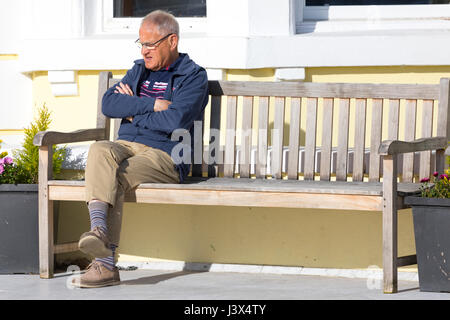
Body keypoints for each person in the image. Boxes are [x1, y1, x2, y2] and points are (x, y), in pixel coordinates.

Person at [73, 10, 209, 288]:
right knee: (99, 149)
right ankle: (98, 231)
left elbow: (175, 121)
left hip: (165, 156)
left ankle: (104, 265)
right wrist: (150, 105)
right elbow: (109, 104)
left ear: (172, 41)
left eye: (151, 44)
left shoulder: (193, 77)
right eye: (142, 44)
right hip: (124, 146)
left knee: (115, 178)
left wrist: (132, 110)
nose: (145, 51)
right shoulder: (139, 70)